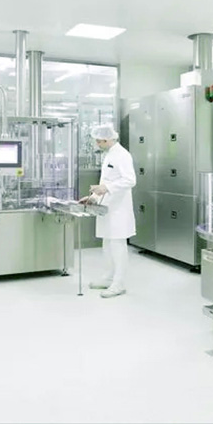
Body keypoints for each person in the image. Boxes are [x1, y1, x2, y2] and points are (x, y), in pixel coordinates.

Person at [81, 124, 136, 299]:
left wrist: (106, 188)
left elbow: (130, 180)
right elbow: (106, 181)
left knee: (117, 245)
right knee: (107, 244)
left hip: (119, 209)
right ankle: (109, 278)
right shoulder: (109, 155)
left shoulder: (122, 155)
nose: (97, 144)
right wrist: (93, 198)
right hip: (107, 207)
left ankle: (118, 284)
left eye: (99, 141)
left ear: (107, 139)